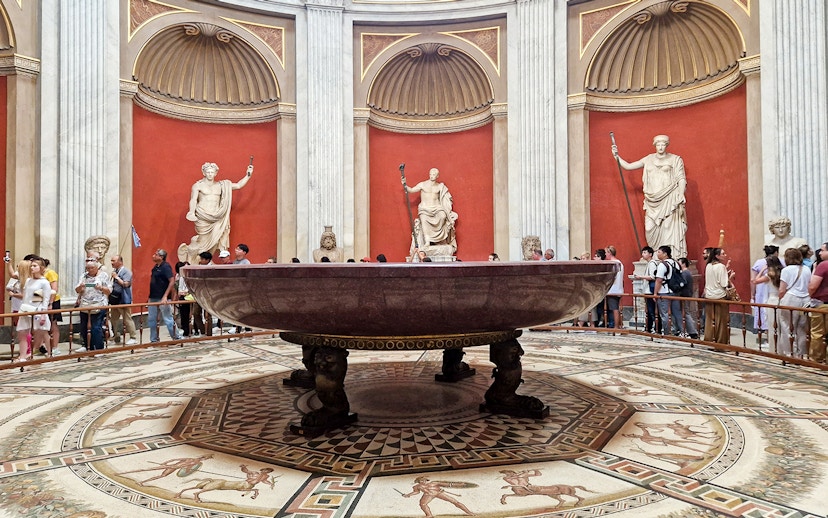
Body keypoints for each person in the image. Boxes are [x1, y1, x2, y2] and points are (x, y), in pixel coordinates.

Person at [612, 134, 688, 259]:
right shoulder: (648, 159)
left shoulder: (675, 159)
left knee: (669, 227)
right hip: (652, 200)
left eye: (663, 144)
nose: (661, 147)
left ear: (667, 145)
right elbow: (629, 166)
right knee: (649, 228)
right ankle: (655, 254)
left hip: (669, 197)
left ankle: (670, 256)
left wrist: (681, 194)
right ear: (654, 145)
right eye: (658, 144)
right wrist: (616, 157)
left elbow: (681, 178)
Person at [178, 161, 253, 265]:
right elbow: (193, 200)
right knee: (202, 241)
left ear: (216, 173)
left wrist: (248, 175)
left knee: (216, 240)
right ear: (204, 173)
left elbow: (238, 185)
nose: (210, 174)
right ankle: (196, 261)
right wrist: (191, 212)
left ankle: (207, 261)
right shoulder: (197, 186)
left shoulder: (222, 185)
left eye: (212, 172)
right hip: (203, 216)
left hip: (217, 217)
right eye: (208, 172)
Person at [401, 168, 458, 255]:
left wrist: (447, 208)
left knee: (443, 216)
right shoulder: (423, 184)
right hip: (425, 209)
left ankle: (439, 240)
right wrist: (404, 184)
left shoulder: (440, 187)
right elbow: (411, 190)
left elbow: (446, 198)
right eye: (431, 174)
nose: (432, 176)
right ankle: (427, 241)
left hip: (437, 208)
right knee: (424, 220)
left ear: (437, 176)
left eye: (434, 174)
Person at [13, 259, 52, 361]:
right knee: (22, 332)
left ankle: (49, 353)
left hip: (37, 309)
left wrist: (43, 313)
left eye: (35, 266)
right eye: (31, 266)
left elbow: (45, 299)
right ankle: (23, 356)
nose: (32, 268)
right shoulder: (28, 280)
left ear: (41, 268)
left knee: (42, 332)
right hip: (26, 309)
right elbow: (25, 296)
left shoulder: (44, 282)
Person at [778, 247, 811, 358]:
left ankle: (790, 353)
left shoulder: (786, 270)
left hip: (791, 298)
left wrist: (779, 299)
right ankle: (803, 354)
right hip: (805, 299)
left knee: (788, 326)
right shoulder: (806, 269)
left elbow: (782, 289)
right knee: (803, 328)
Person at [75, 257, 112, 352]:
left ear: (96, 268)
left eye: (92, 268)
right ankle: (88, 347)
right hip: (85, 304)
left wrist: (101, 288)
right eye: (88, 268)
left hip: (99, 304)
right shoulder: (83, 276)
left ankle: (99, 348)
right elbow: (77, 290)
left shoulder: (103, 276)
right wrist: (81, 287)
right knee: (84, 327)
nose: (90, 270)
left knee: (96, 328)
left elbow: (109, 291)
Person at [703, 248, 735, 345]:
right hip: (719, 296)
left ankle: (709, 340)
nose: (725, 255)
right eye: (723, 254)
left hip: (709, 295)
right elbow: (724, 283)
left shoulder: (708, 265)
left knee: (710, 320)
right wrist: (730, 277)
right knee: (721, 321)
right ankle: (721, 342)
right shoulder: (721, 266)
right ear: (717, 256)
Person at [148, 249, 180, 343]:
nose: (153, 256)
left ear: (161, 257)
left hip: (163, 297)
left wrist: (165, 296)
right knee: (152, 320)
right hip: (153, 297)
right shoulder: (155, 267)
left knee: (168, 318)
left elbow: (172, 281)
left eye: (156, 254)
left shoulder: (166, 267)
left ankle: (176, 337)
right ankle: (154, 339)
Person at [752, 256, 783, 352]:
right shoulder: (783, 273)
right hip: (782, 299)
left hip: (772, 299)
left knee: (772, 325)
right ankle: (783, 348)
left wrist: (762, 270)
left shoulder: (769, 275)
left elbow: (755, 281)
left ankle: (774, 348)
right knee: (782, 325)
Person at [653, 245, 684, 336]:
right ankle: (681, 331)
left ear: (665, 254)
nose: (657, 254)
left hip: (664, 291)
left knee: (665, 313)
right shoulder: (676, 263)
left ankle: (667, 332)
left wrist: (655, 293)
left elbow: (659, 280)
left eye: (659, 252)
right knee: (677, 312)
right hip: (675, 290)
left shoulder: (662, 265)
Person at [750, 245, 779, 336]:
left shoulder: (759, 263)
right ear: (775, 253)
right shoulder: (779, 264)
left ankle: (765, 329)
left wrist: (752, 295)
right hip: (774, 292)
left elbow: (753, 280)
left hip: (761, 290)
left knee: (763, 311)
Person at [109, 255, 137, 345]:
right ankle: (116, 336)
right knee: (113, 319)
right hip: (115, 299)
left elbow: (126, 284)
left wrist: (116, 277)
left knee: (127, 319)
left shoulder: (126, 272)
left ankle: (133, 337)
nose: (112, 263)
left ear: (120, 261)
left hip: (123, 299)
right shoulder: (115, 271)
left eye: (113, 261)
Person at [807, 242, 828, 363]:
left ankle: (816, 358)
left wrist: (810, 296)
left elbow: (813, 286)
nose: (820, 253)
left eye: (823, 250)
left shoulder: (824, 265)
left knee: (817, 333)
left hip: (822, 303)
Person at [633, 246, 659, 333]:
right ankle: (649, 327)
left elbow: (652, 276)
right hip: (648, 290)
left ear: (650, 254)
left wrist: (640, 277)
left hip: (650, 291)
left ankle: (656, 328)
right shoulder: (650, 263)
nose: (643, 254)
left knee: (652, 310)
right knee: (649, 310)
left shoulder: (652, 264)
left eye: (645, 252)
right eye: (642, 252)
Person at [677, 257, 699, 339]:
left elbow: (682, 284)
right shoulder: (687, 272)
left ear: (683, 264)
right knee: (686, 312)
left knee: (686, 313)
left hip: (684, 295)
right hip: (687, 294)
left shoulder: (685, 273)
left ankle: (692, 331)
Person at [192, 251, 212, 336]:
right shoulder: (198, 267)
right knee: (196, 313)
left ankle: (209, 333)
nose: (200, 260)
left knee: (208, 314)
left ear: (207, 260)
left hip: (208, 294)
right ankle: (203, 331)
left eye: (202, 259)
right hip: (198, 293)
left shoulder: (212, 268)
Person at [605, 245, 624, 329]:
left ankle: (616, 326)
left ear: (609, 253)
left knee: (614, 309)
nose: (605, 254)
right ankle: (619, 325)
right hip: (618, 288)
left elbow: (611, 277)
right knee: (616, 308)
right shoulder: (620, 263)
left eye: (606, 252)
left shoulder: (613, 263)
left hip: (613, 289)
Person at [175, 262, 192, 338]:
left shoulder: (190, 276)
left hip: (189, 296)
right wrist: (180, 292)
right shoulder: (180, 276)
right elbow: (180, 287)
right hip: (182, 296)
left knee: (189, 314)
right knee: (183, 314)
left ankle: (190, 330)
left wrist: (186, 292)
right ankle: (185, 329)